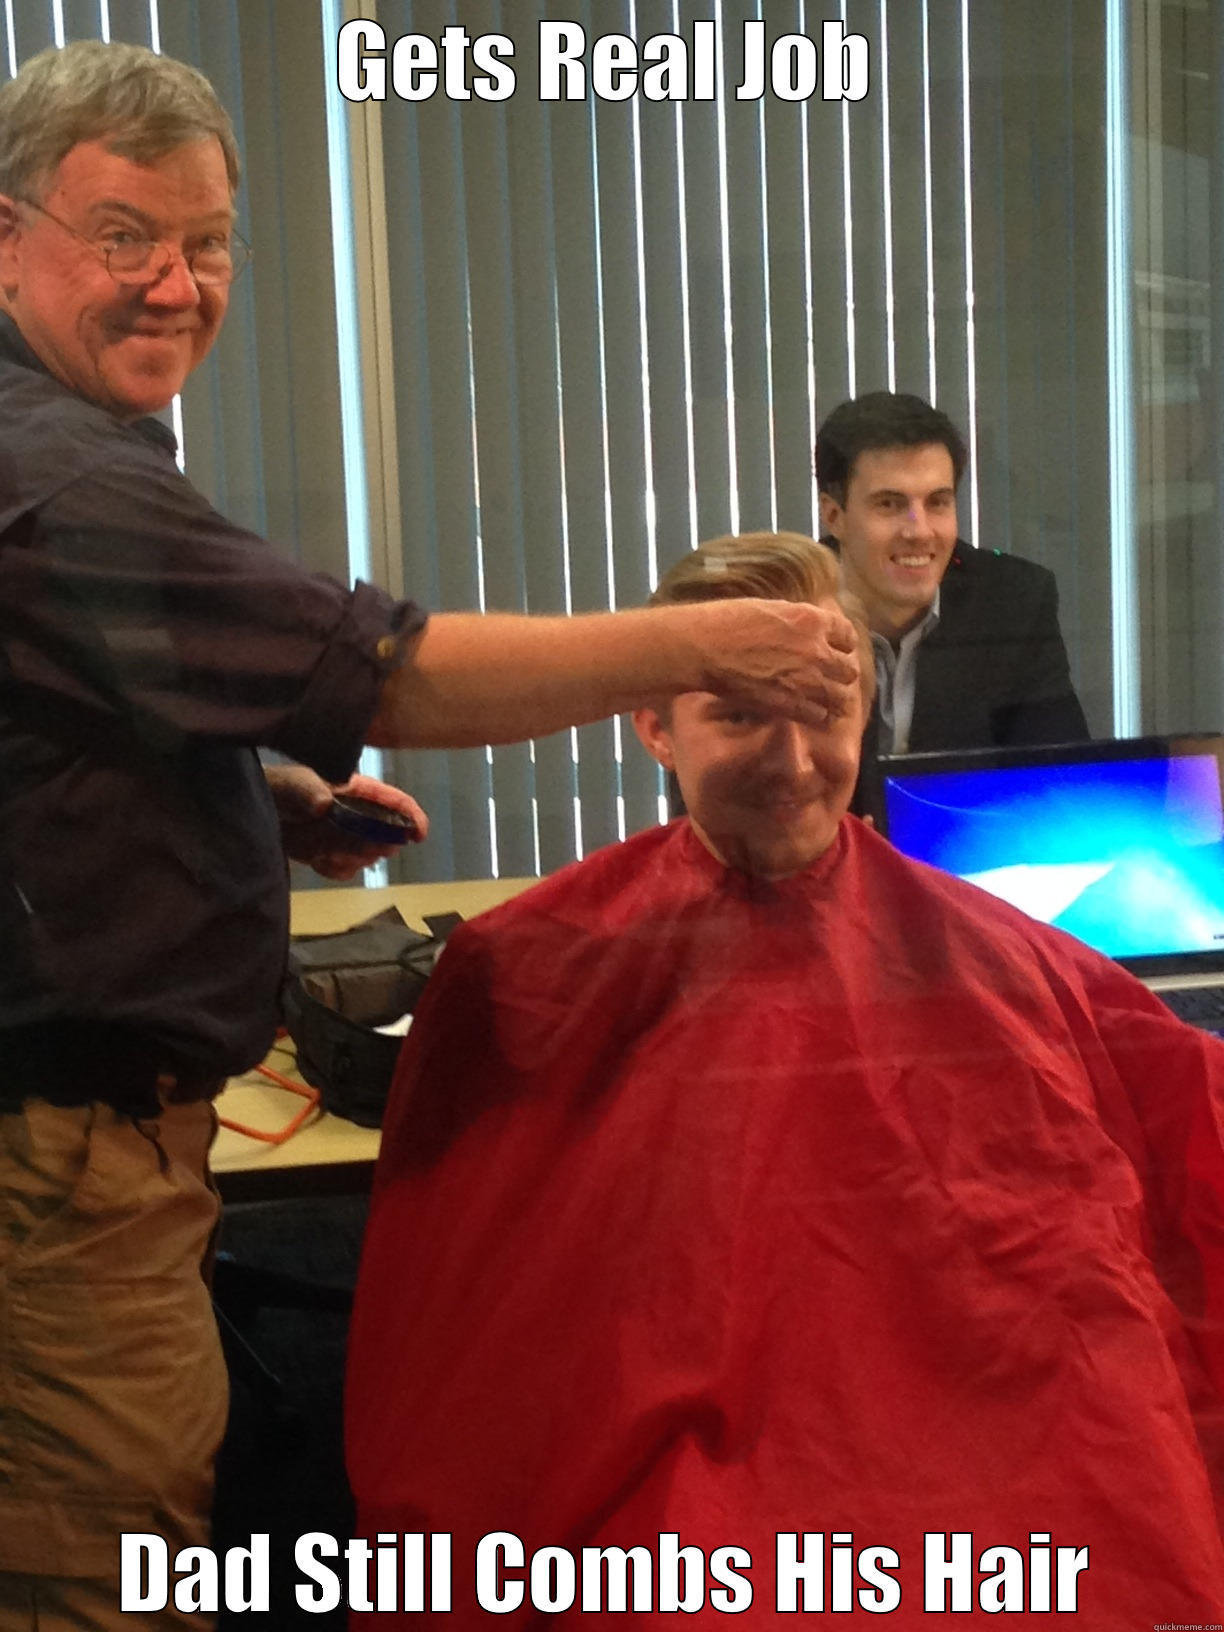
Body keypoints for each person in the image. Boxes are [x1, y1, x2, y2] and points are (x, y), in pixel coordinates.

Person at [0, 42, 860, 1630]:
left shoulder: (80, 450)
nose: (174, 282)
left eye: (208, 241)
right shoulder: (56, 478)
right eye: (124, 235)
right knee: (96, 1578)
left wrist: (260, 800)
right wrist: (695, 636)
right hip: (61, 1170)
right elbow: (384, 667)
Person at [348, 532, 1224, 1628]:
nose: (794, 759)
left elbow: (1176, 1117)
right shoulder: (525, 969)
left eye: (823, 711)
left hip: (983, 1448)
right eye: (741, 714)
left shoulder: (1001, 957)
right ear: (654, 725)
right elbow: (460, 1345)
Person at [815, 391, 1089, 812]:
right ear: (835, 517)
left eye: (938, 502)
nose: (919, 531)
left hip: (962, 859)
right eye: (890, 504)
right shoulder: (779, 609)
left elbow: (1058, 780)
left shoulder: (1013, 601)